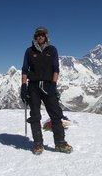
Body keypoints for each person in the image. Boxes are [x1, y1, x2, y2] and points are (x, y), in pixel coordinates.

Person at [20, 26, 72, 155]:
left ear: (46, 36)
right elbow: (25, 70)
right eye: (38, 35)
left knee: (56, 114)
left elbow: (56, 68)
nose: (40, 37)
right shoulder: (29, 51)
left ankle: (60, 143)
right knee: (35, 116)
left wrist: (54, 84)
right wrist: (23, 86)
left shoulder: (52, 50)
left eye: (42, 34)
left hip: (48, 85)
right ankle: (38, 144)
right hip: (33, 87)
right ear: (35, 37)